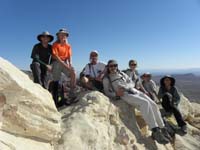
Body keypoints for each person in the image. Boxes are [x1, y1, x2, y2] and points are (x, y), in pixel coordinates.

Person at [103, 60, 170, 144]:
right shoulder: (107, 78)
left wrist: (126, 87)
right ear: (108, 67)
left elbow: (131, 83)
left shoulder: (122, 74)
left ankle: (162, 128)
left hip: (133, 91)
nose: (113, 67)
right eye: (111, 66)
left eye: (115, 65)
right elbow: (107, 92)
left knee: (153, 104)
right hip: (125, 95)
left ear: (117, 66)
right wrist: (116, 93)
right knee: (144, 103)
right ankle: (155, 130)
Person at [51, 28, 77, 106]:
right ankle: (56, 100)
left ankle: (71, 94)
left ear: (66, 36)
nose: (62, 36)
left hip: (64, 63)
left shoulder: (68, 46)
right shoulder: (55, 44)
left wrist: (70, 64)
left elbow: (69, 57)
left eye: (64, 35)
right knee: (57, 81)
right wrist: (66, 65)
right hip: (57, 63)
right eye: (60, 34)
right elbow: (56, 57)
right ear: (58, 36)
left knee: (74, 73)